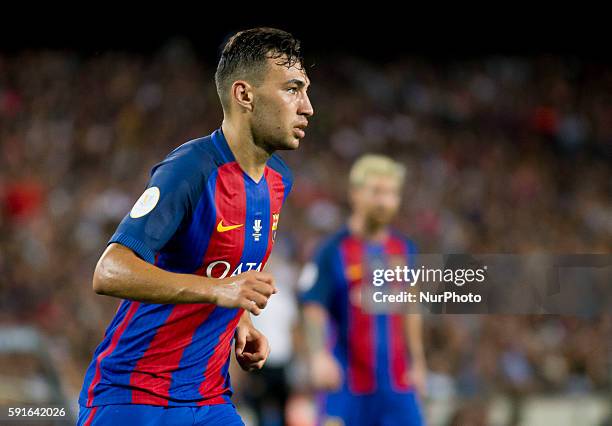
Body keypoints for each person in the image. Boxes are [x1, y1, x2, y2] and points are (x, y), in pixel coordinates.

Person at [77, 27, 313, 426]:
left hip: (211, 400)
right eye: (292, 89)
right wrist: (220, 291)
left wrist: (242, 322)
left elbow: (225, 267)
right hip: (133, 397)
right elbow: (109, 271)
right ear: (244, 95)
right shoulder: (191, 169)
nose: (307, 106)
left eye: (305, 90)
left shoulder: (279, 180)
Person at [299, 154, 426, 426]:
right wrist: (319, 355)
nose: (385, 201)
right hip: (346, 383)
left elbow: (410, 307)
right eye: (377, 192)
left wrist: (418, 361)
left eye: (392, 193)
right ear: (355, 194)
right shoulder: (332, 250)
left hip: (397, 384)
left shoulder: (405, 250)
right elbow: (313, 306)